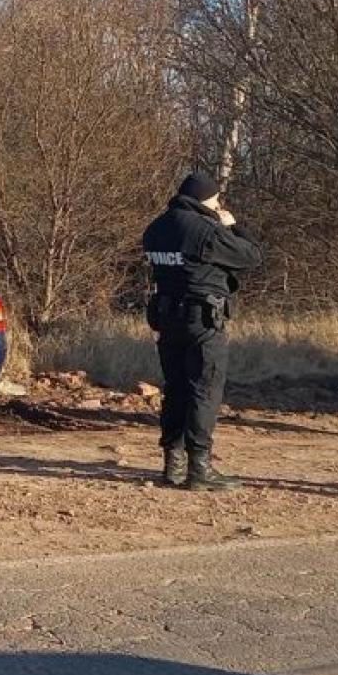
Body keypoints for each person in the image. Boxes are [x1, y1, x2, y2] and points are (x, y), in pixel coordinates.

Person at [142, 171, 263, 491]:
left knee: (177, 388)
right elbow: (250, 256)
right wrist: (232, 225)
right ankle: (200, 467)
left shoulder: (156, 228)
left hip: (167, 318)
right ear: (204, 200)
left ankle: (173, 465)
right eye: (215, 201)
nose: (218, 205)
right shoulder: (205, 229)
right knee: (204, 390)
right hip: (203, 320)